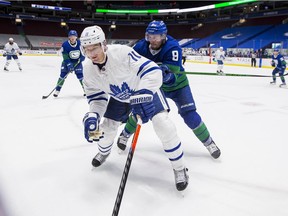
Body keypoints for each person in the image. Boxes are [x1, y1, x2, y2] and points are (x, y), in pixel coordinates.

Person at [80, 25, 189, 191]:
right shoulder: (87, 68)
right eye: (87, 49)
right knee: (102, 131)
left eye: (94, 47)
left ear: (103, 44)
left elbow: (152, 70)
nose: (91, 53)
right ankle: (104, 151)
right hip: (120, 97)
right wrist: (93, 115)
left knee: (163, 125)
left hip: (144, 90)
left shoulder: (122, 53)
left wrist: (143, 93)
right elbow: (96, 97)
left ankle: (180, 168)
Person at [117, 20, 221, 159]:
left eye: (157, 37)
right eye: (150, 36)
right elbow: (130, 64)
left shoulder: (172, 47)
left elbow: (173, 79)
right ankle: (125, 135)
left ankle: (209, 142)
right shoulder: (141, 47)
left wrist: (167, 75)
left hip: (179, 86)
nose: (153, 40)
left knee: (190, 115)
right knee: (140, 110)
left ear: (164, 36)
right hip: (156, 87)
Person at [53, 30, 85, 97]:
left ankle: (86, 90)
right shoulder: (65, 45)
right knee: (62, 75)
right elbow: (65, 56)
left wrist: (82, 57)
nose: (72, 38)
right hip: (66, 62)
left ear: (76, 37)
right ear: (69, 37)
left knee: (80, 76)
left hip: (77, 62)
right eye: (71, 36)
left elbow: (83, 52)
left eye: (74, 36)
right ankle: (57, 90)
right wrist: (69, 64)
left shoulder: (80, 43)